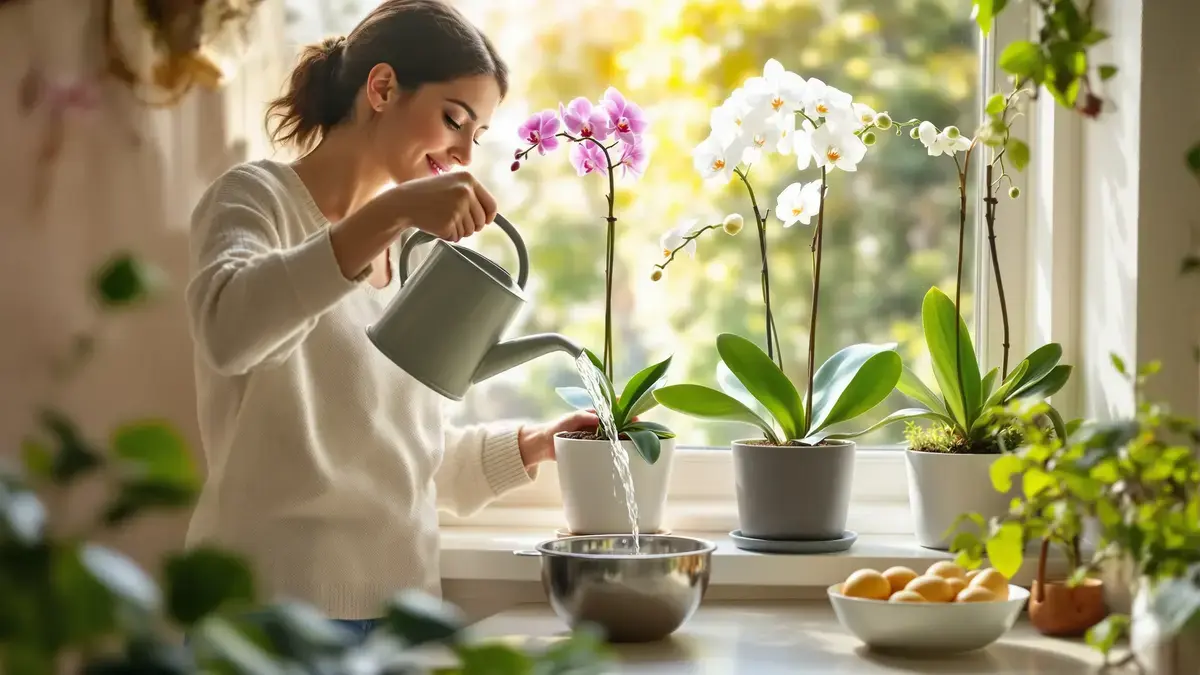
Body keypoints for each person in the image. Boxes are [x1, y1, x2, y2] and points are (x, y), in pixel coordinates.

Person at [183, 0, 596, 642]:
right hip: (267, 614)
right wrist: (392, 210)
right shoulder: (255, 199)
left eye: (476, 136)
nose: (462, 152)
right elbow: (229, 332)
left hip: (399, 619)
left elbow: (408, 456)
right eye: (454, 120)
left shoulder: (412, 258)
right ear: (381, 88)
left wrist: (535, 443)